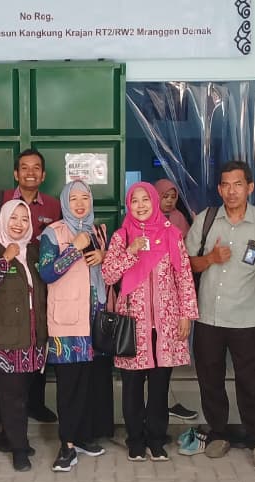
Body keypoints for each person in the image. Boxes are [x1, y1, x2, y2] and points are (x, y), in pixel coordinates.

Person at [185, 161, 255, 468]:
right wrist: (211, 258)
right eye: (225, 185)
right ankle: (218, 433)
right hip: (209, 316)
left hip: (247, 316)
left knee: (250, 381)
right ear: (219, 189)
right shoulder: (206, 219)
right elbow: (187, 264)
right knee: (209, 378)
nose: (231, 191)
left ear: (250, 187)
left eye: (238, 184)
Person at [103, 182, 199, 461]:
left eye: (146, 200)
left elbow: (184, 276)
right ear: (128, 205)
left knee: (159, 388)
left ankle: (156, 440)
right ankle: (135, 441)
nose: (141, 205)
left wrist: (186, 315)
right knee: (132, 388)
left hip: (166, 325)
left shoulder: (171, 234)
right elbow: (108, 274)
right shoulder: (121, 236)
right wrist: (131, 251)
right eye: (135, 201)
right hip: (133, 326)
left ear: (155, 202)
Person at [0, 149, 63, 424]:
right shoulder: (0, 199)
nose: (30, 173)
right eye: (24, 167)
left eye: (36, 168)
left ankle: (35, 405)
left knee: (35, 343)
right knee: (3, 352)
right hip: (4, 280)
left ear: (43, 175)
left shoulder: (53, 206)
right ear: (16, 173)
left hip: (35, 276)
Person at [38, 181, 112, 471]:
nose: (80, 204)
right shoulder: (53, 233)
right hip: (67, 322)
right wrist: (74, 248)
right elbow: (47, 273)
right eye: (73, 198)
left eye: (85, 198)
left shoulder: (99, 231)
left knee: (89, 383)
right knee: (69, 386)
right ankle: (66, 446)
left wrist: (104, 257)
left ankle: (82, 436)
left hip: (94, 319)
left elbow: (109, 272)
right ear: (65, 202)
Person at [0, 200, 48, 472]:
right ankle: (20, 449)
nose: (19, 224)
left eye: (24, 219)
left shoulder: (34, 252)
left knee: (22, 394)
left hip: (32, 338)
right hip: (4, 340)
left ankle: (8, 436)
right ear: (3, 221)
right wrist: (5, 259)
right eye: (13, 218)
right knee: (12, 398)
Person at [155, 178, 198, 423]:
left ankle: (162, 406)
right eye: (165, 196)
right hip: (148, 303)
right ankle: (152, 409)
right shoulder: (140, 221)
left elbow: (188, 250)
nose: (169, 201)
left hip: (172, 296)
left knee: (166, 359)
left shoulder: (179, 219)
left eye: (173, 197)